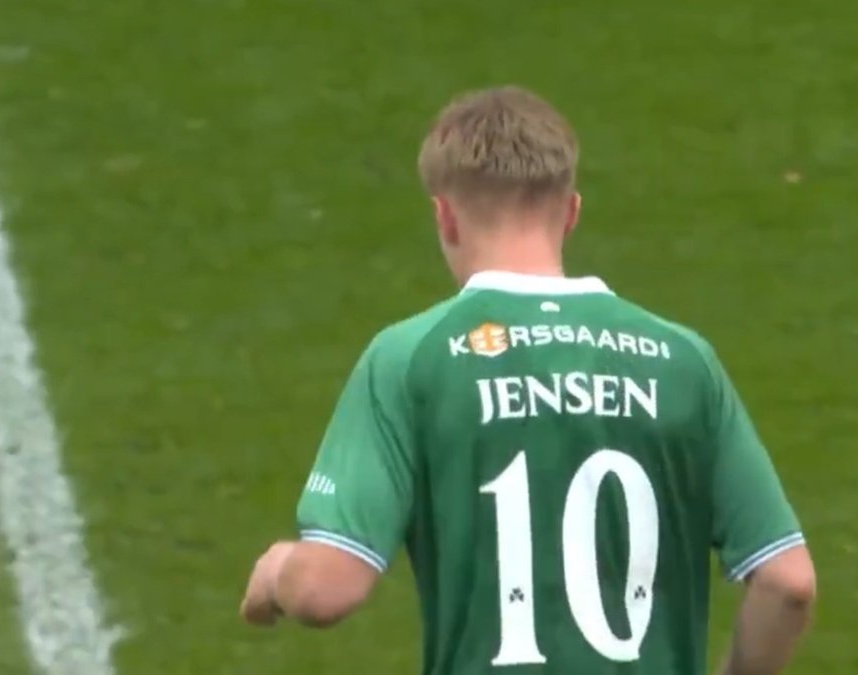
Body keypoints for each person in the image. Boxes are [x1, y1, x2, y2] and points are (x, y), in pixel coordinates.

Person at [240, 85, 816, 675]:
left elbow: (327, 588)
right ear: (571, 214)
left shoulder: (412, 358)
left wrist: (278, 571)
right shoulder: (683, 361)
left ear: (445, 217)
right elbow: (788, 582)